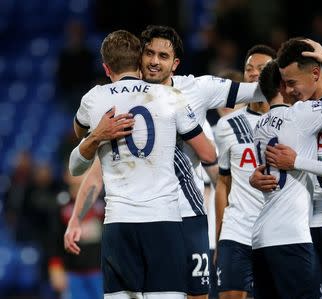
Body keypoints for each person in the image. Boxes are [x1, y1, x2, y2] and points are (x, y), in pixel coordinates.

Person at [70, 25, 267, 299]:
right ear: (138, 56)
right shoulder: (124, 98)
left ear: (175, 64)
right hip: (155, 216)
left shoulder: (197, 88)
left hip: (188, 213)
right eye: (149, 53)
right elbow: (97, 170)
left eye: (163, 56)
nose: (154, 61)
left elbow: (256, 93)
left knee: (196, 295)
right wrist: (76, 218)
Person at [250, 38, 322, 299]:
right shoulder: (298, 111)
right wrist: (258, 176)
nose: (288, 91)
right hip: (309, 223)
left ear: (316, 73)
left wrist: (296, 163)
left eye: (292, 83)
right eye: (284, 84)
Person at [214, 44, 275, 299]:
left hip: (276, 230)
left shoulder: (294, 119)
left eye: (261, 69)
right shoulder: (227, 125)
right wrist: (219, 238)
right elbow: (223, 182)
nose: (253, 74)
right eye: (249, 69)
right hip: (236, 230)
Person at [49, 166, 104, 299]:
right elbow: (54, 240)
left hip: (101, 273)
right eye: (73, 170)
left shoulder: (103, 203)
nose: (78, 175)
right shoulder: (61, 206)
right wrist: (55, 268)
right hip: (72, 273)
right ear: (66, 176)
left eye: (83, 170)